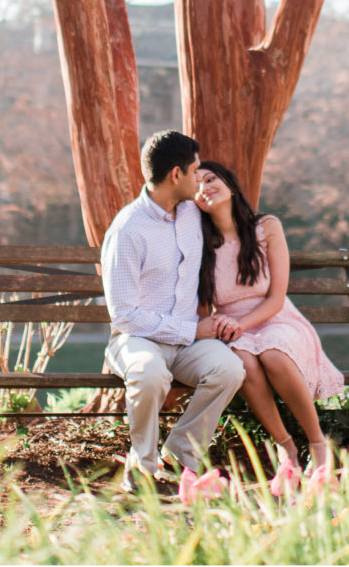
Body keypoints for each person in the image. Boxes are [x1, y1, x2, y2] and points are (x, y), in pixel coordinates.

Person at [101, 130, 246, 492]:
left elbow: (232, 233)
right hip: (136, 340)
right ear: (176, 176)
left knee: (228, 368)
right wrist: (193, 331)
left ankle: (178, 455)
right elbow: (124, 315)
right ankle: (143, 466)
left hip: (184, 345)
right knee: (149, 374)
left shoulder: (191, 215)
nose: (200, 177)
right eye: (196, 170)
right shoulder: (129, 229)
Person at [196, 159, 344, 472]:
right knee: (244, 362)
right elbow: (201, 311)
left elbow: (276, 298)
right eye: (196, 186)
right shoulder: (201, 246)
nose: (204, 188)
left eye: (210, 179)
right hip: (233, 332)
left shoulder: (266, 227)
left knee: (274, 352)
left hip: (278, 320)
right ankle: (286, 446)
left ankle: (317, 442)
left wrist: (239, 324)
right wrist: (220, 326)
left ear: (230, 184)